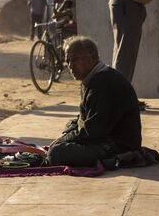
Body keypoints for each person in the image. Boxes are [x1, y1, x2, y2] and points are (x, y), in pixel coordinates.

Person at [47, 36, 141, 167]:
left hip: (118, 146)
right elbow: (85, 119)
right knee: (68, 130)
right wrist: (68, 133)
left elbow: (93, 132)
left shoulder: (103, 83)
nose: (70, 66)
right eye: (68, 61)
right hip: (103, 138)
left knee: (56, 153)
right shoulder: (93, 78)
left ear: (93, 58)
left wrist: (65, 139)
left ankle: (113, 159)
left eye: (75, 59)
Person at [102, 0, 154, 110]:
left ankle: (123, 97)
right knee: (125, 54)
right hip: (127, 3)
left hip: (129, 3)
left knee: (125, 53)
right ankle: (121, 100)